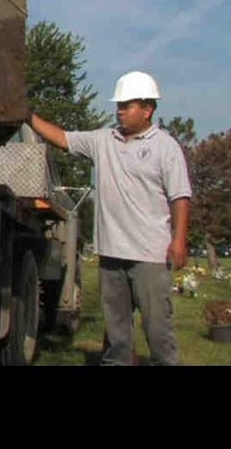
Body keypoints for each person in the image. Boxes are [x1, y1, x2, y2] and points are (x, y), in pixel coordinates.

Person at [26, 70, 191, 366]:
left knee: (157, 331)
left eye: (127, 106)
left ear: (147, 109)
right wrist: (28, 116)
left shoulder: (165, 147)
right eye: (119, 105)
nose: (120, 111)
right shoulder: (103, 140)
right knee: (116, 335)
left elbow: (180, 196)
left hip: (149, 255)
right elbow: (62, 139)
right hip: (112, 253)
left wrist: (178, 240)